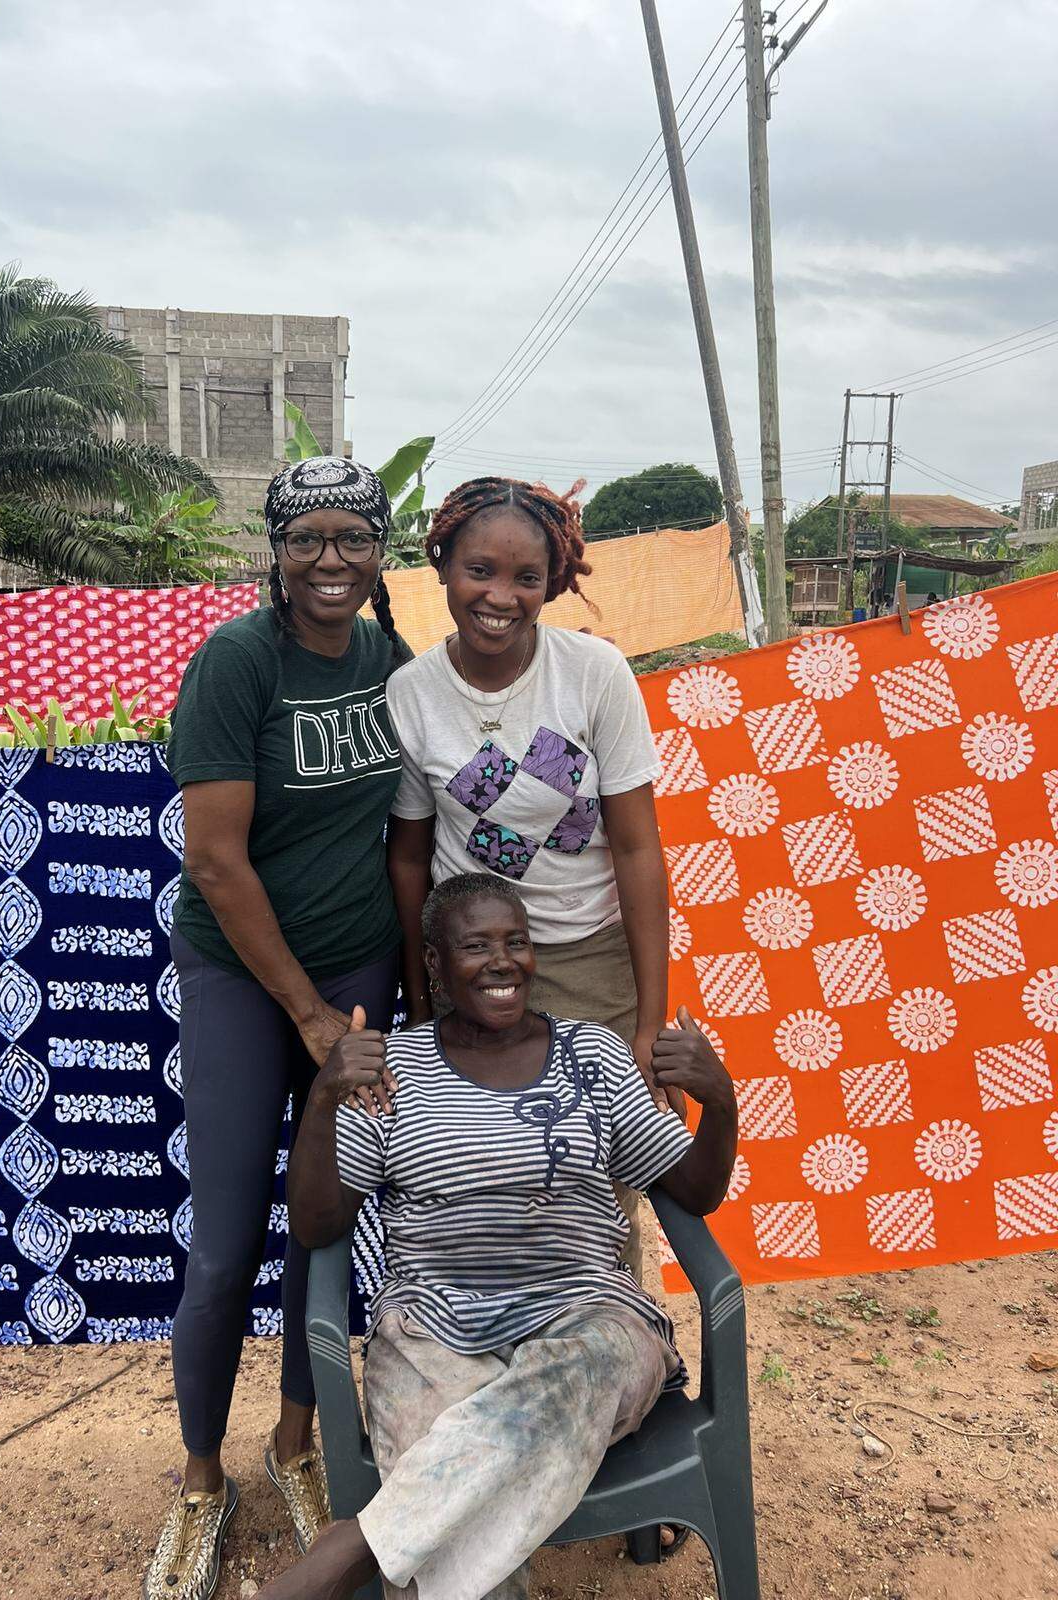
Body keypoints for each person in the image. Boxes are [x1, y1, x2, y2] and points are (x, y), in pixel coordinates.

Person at [260, 872, 737, 1600]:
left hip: (587, 1320)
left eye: (516, 941)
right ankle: (381, 1548)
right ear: (434, 966)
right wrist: (323, 1100)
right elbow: (315, 1222)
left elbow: (695, 1190)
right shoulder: (393, 1070)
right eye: (475, 945)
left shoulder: (594, 1057)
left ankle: (356, 1547)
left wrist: (721, 1102)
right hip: (432, 1331)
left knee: (577, 1370)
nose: (502, 961)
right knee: (466, 1472)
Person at [143, 456, 410, 1600]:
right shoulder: (237, 665)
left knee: (326, 1220)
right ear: (277, 549)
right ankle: (203, 1480)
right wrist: (304, 1011)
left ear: (379, 550)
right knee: (222, 1240)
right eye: (309, 539)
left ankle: (298, 1441)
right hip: (249, 983)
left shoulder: (390, 661)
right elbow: (212, 855)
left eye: (353, 538)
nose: (331, 561)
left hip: (358, 971)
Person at [385, 474, 680, 1279]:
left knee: (604, 1183)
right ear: (442, 564)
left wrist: (650, 1023)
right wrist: (422, 1002)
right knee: (481, 1180)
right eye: (479, 570)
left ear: (555, 580)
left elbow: (637, 850)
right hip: (475, 970)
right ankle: (481, 1336)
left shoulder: (594, 675)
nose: (500, 596)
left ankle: (620, 1343)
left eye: (527, 577)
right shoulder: (410, 694)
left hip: (590, 957)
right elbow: (409, 857)